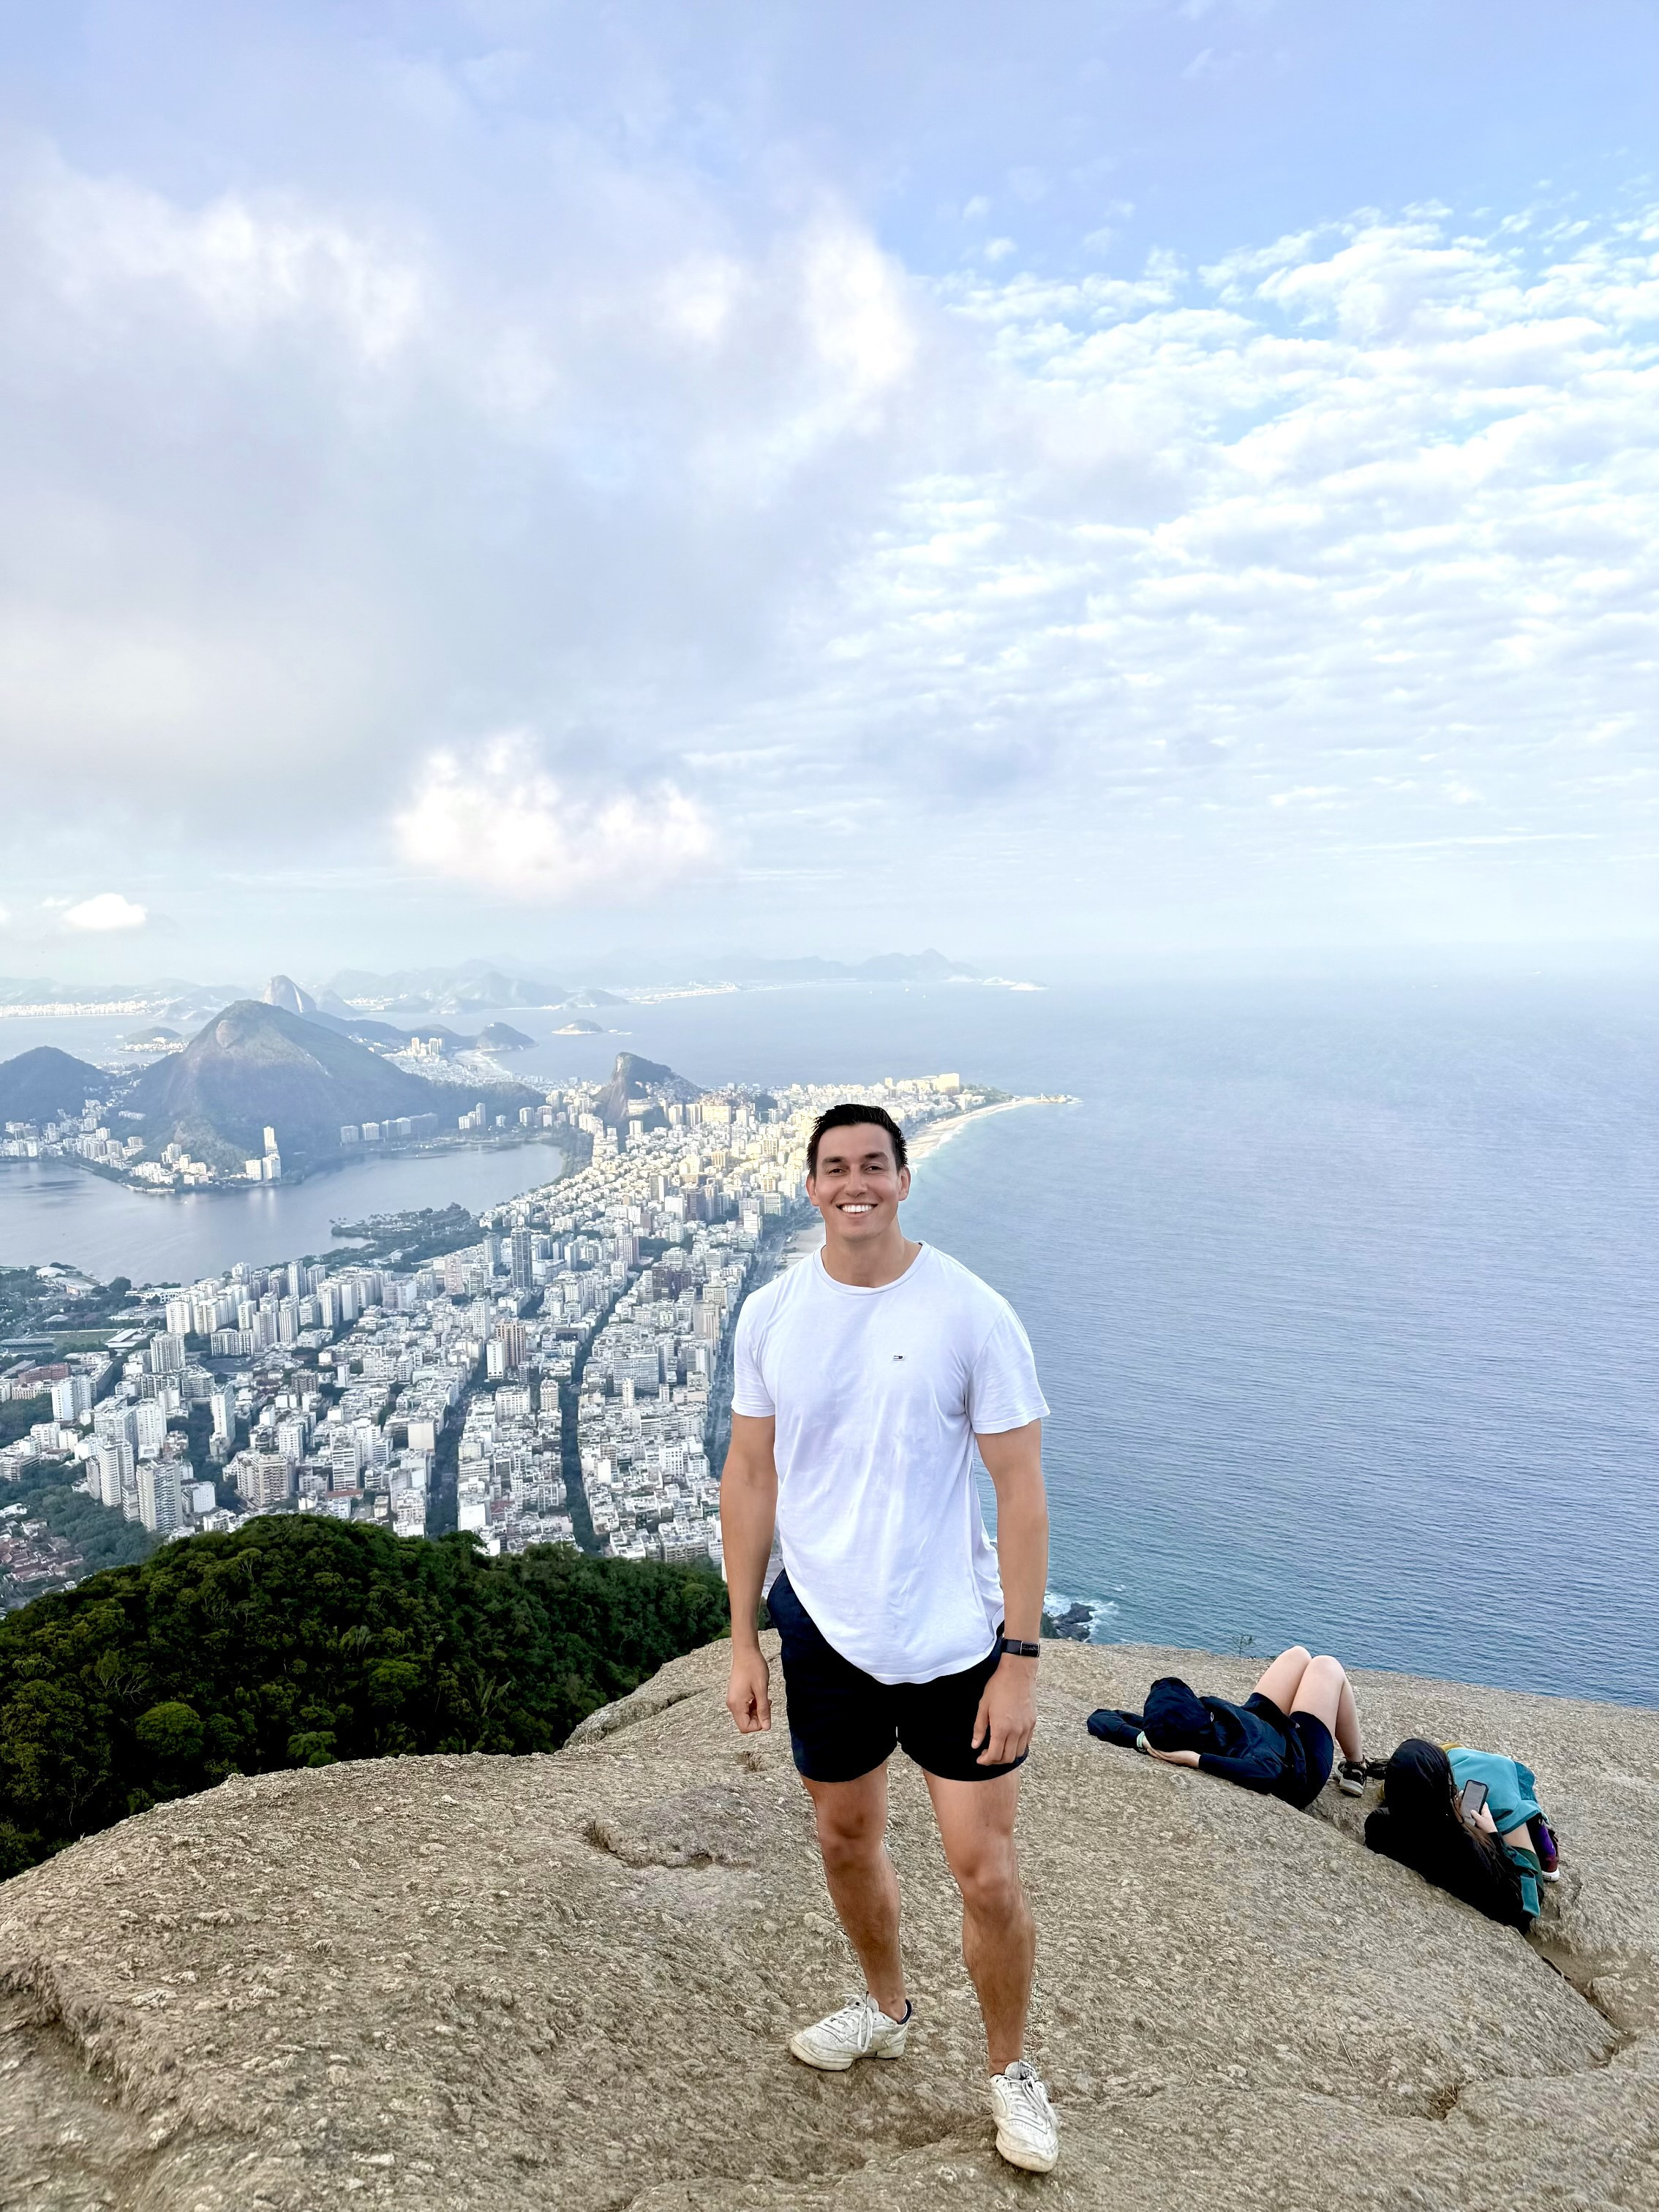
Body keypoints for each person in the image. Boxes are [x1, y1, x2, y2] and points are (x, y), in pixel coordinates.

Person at [721, 1101, 1061, 2176]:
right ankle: (885, 2008)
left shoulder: (971, 1311)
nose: (855, 1183)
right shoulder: (773, 1313)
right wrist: (743, 1637)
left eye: (874, 1164)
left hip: (954, 1638)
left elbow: (1021, 1493)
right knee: (843, 1840)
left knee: (985, 1873)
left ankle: (1010, 2071)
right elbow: (749, 1474)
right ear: (811, 1188)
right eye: (835, 1168)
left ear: (904, 1180)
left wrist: (1020, 1661)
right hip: (825, 1629)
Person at [1087, 1644, 1369, 1810]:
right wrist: (1197, 1761)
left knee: (1297, 1655)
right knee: (1326, 1666)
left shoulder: (1167, 1731)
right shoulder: (1240, 1753)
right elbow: (1267, 1772)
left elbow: (1101, 1718)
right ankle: (1356, 1766)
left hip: (1254, 1721)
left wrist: (1141, 1740)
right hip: (1300, 1760)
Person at [1363, 1739, 1554, 1928]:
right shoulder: (1463, 1845)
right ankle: (1535, 1823)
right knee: (1507, 1800)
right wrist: (1492, 1833)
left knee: (1496, 1781)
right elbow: (1513, 1899)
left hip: (1467, 1870)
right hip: (1520, 1903)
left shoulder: (1379, 1824)